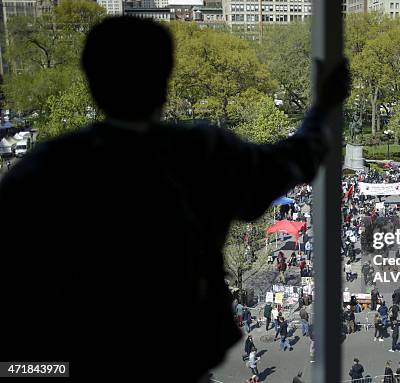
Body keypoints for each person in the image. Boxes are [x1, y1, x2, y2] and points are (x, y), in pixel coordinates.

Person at [0, 16, 350, 382]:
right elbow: (294, 160)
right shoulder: (201, 152)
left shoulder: (41, 172)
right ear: (165, 81)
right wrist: (323, 107)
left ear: (91, 81)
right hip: (179, 356)